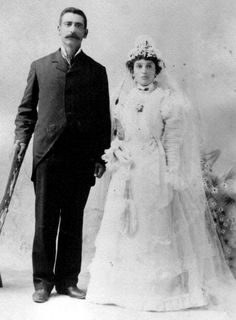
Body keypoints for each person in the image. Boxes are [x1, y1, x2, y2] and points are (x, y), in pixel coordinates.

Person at [86, 36, 236, 313]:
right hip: (127, 170)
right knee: (124, 223)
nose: (143, 71)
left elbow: (172, 142)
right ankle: (120, 289)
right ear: (131, 70)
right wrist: (117, 150)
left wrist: (171, 172)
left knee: (153, 222)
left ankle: (157, 291)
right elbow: (118, 133)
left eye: (149, 67)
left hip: (153, 168)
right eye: (139, 66)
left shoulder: (168, 100)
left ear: (157, 71)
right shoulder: (123, 98)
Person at [14, 7, 111, 303]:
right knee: (44, 221)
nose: (72, 29)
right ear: (58, 29)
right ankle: (42, 282)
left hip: (80, 158)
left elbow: (101, 119)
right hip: (47, 155)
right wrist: (21, 137)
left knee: (73, 220)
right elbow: (26, 110)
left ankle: (68, 281)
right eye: (67, 24)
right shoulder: (41, 66)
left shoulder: (96, 71)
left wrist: (98, 156)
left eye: (78, 25)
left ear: (85, 32)